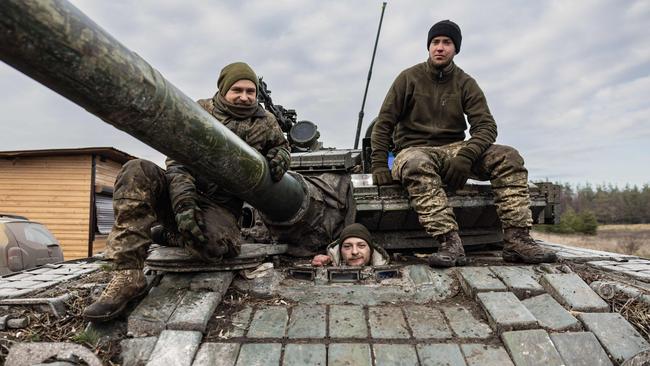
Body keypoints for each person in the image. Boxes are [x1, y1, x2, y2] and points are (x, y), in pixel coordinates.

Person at [83, 62, 291, 321]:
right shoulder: (200, 111)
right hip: (181, 187)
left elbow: (282, 146)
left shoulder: (266, 122)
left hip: (221, 205)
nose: (245, 97)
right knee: (137, 170)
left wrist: (281, 154)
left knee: (215, 247)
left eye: (251, 91)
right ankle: (127, 274)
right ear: (223, 88)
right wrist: (182, 202)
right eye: (237, 90)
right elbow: (179, 160)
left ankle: (171, 234)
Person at [370, 20, 556, 267]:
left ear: (455, 48)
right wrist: (379, 165)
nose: (440, 47)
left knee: (509, 156)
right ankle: (450, 243)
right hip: (413, 149)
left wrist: (466, 156)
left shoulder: (465, 83)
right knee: (416, 162)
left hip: (455, 148)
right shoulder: (408, 79)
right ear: (428, 47)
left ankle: (517, 240)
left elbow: (487, 126)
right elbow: (384, 124)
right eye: (435, 42)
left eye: (446, 43)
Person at [311, 223, 389, 266]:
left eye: (361, 246)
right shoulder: (328, 265)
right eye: (347, 246)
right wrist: (319, 267)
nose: (354, 252)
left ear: (371, 251)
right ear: (340, 252)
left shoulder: (389, 272)